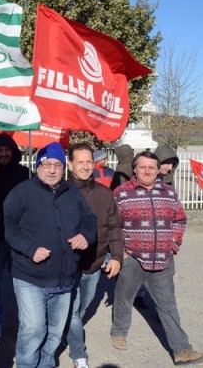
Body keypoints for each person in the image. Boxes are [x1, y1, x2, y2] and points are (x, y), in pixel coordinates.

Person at [3, 142, 96, 368]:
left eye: (57, 165)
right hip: (30, 276)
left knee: (54, 332)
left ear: (64, 168)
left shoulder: (72, 192)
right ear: (37, 166)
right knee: (33, 329)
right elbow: (8, 225)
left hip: (64, 277)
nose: (52, 170)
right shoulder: (21, 192)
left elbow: (89, 219)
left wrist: (86, 235)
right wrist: (30, 248)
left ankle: (45, 364)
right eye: (46, 164)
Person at [110, 151, 203, 365]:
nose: (147, 171)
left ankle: (182, 349)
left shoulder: (169, 192)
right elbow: (112, 225)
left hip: (163, 259)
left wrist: (173, 244)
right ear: (134, 169)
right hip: (133, 258)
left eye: (151, 167)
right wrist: (121, 252)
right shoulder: (121, 193)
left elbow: (179, 220)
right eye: (142, 167)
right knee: (124, 297)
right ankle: (119, 331)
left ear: (157, 170)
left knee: (167, 304)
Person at [63, 144, 124, 368]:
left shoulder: (104, 193)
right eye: (80, 162)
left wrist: (116, 256)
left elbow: (115, 227)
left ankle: (66, 331)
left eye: (89, 161)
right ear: (70, 164)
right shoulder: (61, 191)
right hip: (70, 266)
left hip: (96, 264)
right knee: (73, 312)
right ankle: (79, 353)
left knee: (80, 309)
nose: (86, 166)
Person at [0, 133, 29, 339]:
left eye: (6, 150)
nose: (2, 154)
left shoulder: (24, 174)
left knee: (23, 283)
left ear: (13, 152)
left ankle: (27, 321)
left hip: (19, 238)